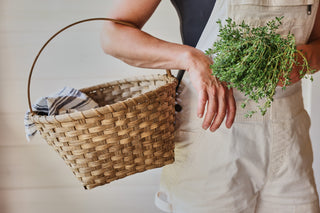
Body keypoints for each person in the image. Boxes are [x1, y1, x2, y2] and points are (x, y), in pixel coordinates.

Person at [101, 0, 320, 212]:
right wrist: (191, 58)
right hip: (211, 142)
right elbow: (113, 33)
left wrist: (306, 59)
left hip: (290, 144)